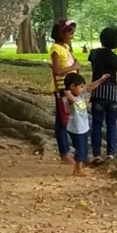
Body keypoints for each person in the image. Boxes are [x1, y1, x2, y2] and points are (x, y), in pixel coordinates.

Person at [88, 26, 117, 162]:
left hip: (97, 93)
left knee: (96, 124)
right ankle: (111, 153)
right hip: (112, 95)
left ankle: (96, 154)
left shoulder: (93, 54)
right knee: (111, 124)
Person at [62, 71, 107, 175]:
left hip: (83, 127)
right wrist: (67, 91)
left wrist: (101, 79)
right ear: (72, 86)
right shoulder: (68, 99)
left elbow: (90, 87)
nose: (83, 89)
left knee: (84, 149)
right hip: (76, 129)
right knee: (81, 149)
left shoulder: (80, 95)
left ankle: (77, 168)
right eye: (80, 87)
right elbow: (70, 99)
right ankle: (78, 169)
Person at [48, 20, 80, 162]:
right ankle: (64, 152)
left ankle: (70, 149)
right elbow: (57, 71)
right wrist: (73, 65)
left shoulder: (65, 47)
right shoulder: (55, 49)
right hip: (62, 89)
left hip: (71, 88)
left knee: (69, 119)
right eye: (70, 33)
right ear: (61, 33)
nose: (71, 36)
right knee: (62, 121)